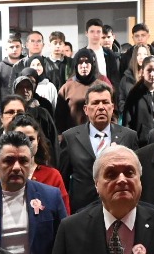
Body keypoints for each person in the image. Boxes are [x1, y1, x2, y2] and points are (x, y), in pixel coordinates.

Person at [56, 85, 139, 213]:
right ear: (86, 109)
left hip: (120, 208)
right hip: (82, 211)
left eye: (105, 102)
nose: (101, 107)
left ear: (112, 107)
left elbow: (137, 176)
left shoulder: (129, 136)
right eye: (95, 103)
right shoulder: (70, 137)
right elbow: (63, 180)